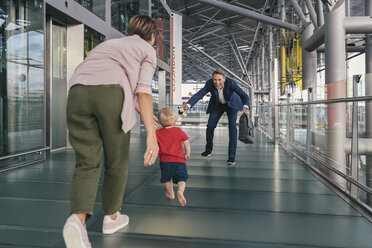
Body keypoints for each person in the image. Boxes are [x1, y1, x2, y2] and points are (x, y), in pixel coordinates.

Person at [62, 15, 159, 248]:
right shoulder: (147, 49)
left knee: (86, 162)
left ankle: (77, 219)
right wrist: (152, 137)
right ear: (152, 36)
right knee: (116, 161)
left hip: (77, 92)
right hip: (111, 95)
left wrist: (136, 107)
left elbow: (106, 78)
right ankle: (112, 217)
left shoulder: (110, 44)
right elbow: (143, 91)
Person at [183, 69, 250, 166]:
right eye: (215, 79)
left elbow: (244, 96)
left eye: (219, 80)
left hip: (232, 105)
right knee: (210, 126)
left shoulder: (231, 83)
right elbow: (199, 94)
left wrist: (245, 106)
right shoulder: (209, 83)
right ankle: (208, 150)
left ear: (224, 79)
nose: (217, 82)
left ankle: (231, 156)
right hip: (217, 106)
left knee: (232, 128)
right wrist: (188, 105)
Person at [156, 107, 190, 207]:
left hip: (164, 161)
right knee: (182, 179)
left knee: (167, 179)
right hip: (179, 161)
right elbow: (186, 143)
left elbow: (155, 146)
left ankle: (171, 194)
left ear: (160, 122)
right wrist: (187, 153)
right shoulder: (178, 131)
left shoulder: (157, 133)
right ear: (175, 121)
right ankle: (180, 191)